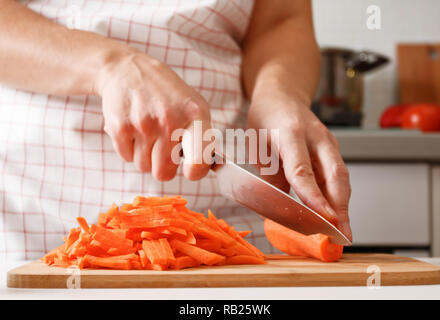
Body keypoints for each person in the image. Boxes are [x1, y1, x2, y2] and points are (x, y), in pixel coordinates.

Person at [0, 0, 352, 260]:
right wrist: (109, 66)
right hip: (36, 210)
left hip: (218, 231)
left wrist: (277, 91)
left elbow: (281, 20)